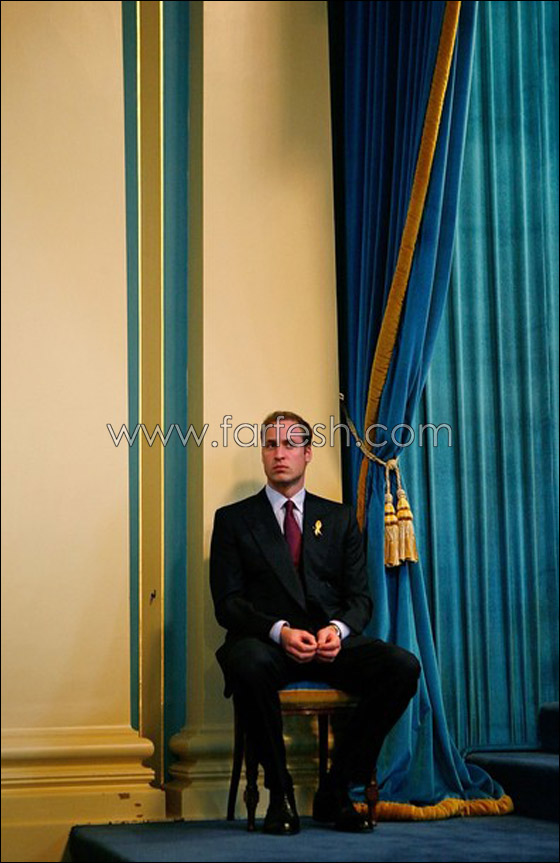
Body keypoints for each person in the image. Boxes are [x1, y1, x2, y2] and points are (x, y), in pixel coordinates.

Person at [210, 411, 420, 835]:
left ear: (307, 454)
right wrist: (280, 631)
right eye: (271, 445)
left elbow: (360, 600)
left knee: (402, 667)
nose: (279, 453)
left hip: (328, 644)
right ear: (263, 455)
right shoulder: (233, 519)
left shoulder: (339, 518)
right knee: (247, 663)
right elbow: (228, 604)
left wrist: (337, 631)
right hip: (267, 643)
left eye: (290, 445)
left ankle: (336, 789)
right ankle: (281, 794)